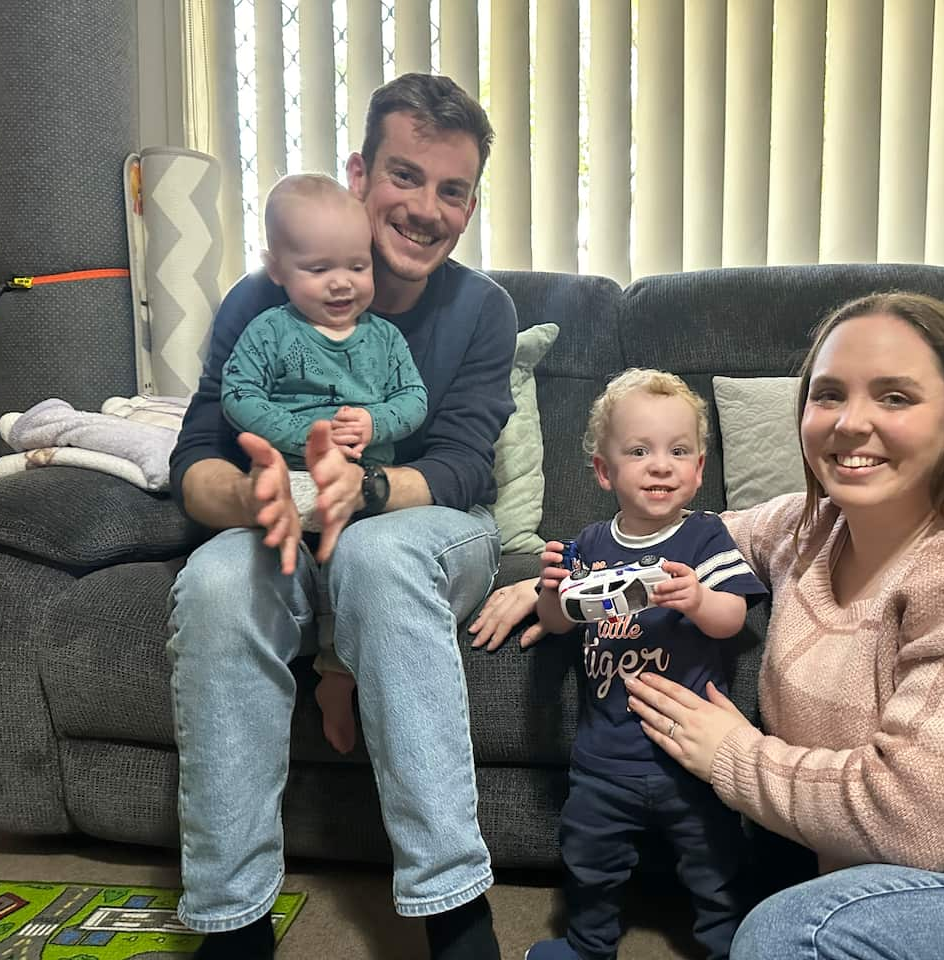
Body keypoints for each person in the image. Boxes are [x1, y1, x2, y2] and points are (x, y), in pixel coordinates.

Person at [474, 292, 944, 958]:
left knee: (794, 935)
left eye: (895, 397)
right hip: (921, 886)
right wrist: (559, 586)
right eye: (828, 394)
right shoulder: (811, 528)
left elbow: (921, 825)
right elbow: (691, 533)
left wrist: (736, 753)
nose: (851, 421)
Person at [167, 73, 516, 960]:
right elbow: (194, 460)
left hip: (430, 523)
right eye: (406, 176)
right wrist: (263, 497)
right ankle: (233, 923)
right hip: (288, 513)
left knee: (377, 559)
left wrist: (358, 493)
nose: (427, 209)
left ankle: (455, 914)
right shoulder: (265, 302)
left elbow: (463, 465)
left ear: (470, 206)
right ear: (361, 174)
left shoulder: (482, 310)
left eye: (453, 190)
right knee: (213, 582)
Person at [526, 369, 766, 960]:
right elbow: (559, 623)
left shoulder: (704, 539)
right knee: (588, 859)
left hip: (688, 751)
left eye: (678, 451)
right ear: (605, 472)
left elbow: (734, 618)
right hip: (604, 755)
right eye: (640, 451)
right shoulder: (589, 543)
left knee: (715, 865)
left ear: (700, 469)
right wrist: (552, 591)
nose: (661, 466)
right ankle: (587, 946)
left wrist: (700, 600)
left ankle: (726, 947)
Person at [222, 172, 429, 755]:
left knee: (366, 567)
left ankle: (336, 678)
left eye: (357, 267)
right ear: (278, 268)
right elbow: (238, 396)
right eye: (318, 270)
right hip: (294, 476)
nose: (342, 284)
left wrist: (373, 423)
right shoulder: (270, 330)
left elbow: (414, 399)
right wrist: (307, 437)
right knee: (272, 558)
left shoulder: (384, 339)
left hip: (364, 489)